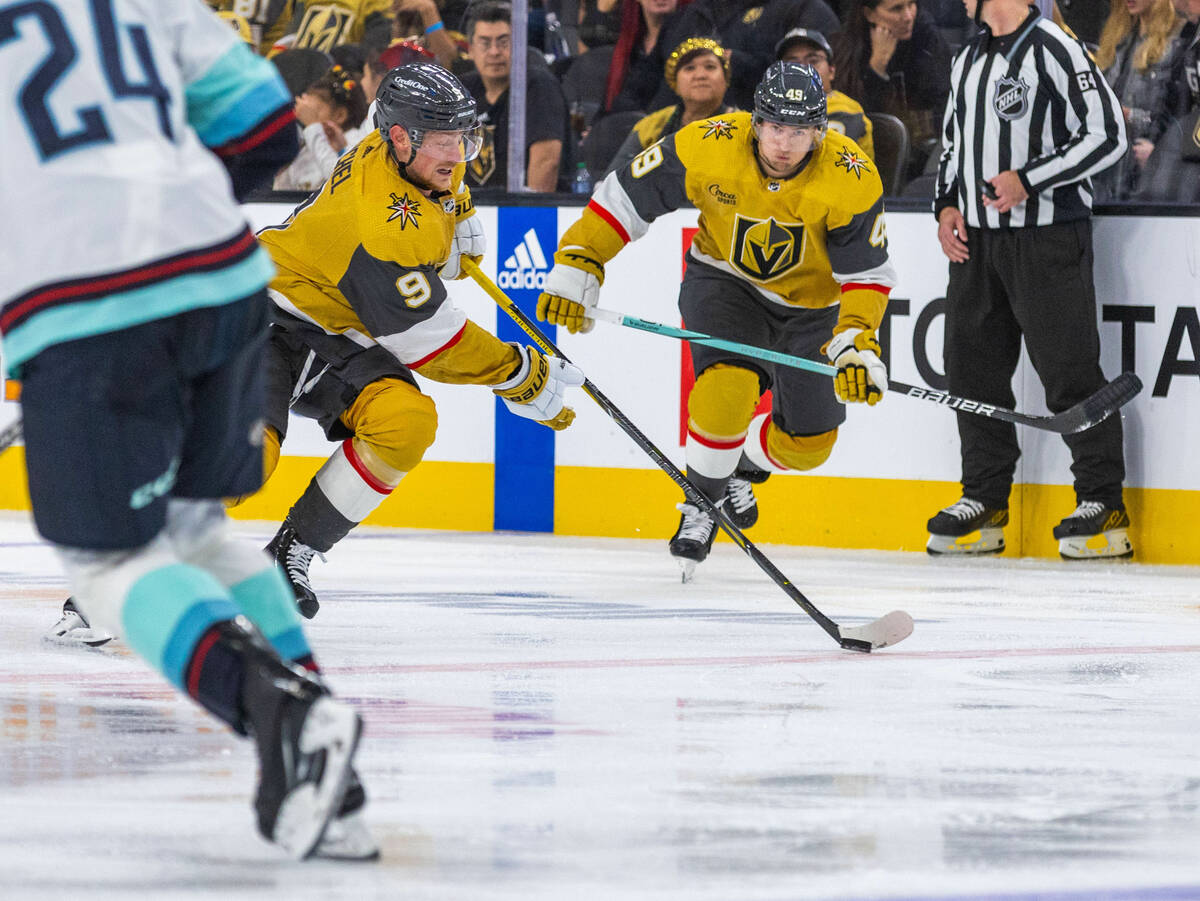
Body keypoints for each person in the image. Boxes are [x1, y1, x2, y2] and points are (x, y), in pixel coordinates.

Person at [5, 0, 374, 860]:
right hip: (222, 268)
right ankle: (333, 778)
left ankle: (281, 716)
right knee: (193, 530)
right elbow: (268, 132)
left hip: (85, 300)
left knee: (106, 567)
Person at [537, 62, 895, 579]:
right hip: (727, 285)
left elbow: (867, 274)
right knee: (723, 393)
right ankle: (700, 506)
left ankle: (740, 466)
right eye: (774, 127)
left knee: (808, 446)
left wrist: (858, 340)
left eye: (799, 132)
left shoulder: (851, 175)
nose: (784, 145)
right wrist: (579, 259)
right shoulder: (708, 143)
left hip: (815, 308)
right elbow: (624, 198)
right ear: (755, 121)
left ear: (819, 130)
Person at [252, 62, 583, 617]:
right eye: (444, 141)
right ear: (400, 137)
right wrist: (519, 373)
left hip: (340, 332)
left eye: (463, 138)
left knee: (404, 424)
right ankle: (125, 571)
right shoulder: (384, 225)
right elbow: (429, 342)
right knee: (245, 465)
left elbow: (444, 196)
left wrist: (457, 216)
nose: (457, 155)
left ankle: (291, 553)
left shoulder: (411, 160)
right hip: (267, 318)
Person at [930, 0, 1131, 559]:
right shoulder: (967, 56)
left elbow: (1107, 134)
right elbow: (952, 143)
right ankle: (985, 499)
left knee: (1069, 370)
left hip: (1046, 238)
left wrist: (1031, 179)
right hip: (976, 242)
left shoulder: (1055, 47)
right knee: (971, 372)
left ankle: (1102, 502)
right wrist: (946, 205)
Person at [652, 0, 842, 111]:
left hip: (775, 126)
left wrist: (739, 64)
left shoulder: (805, 8)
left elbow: (814, 75)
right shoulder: (696, 12)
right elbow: (665, 80)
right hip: (685, 121)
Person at [832, 0, 952, 173]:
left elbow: (945, 103)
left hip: (926, 156)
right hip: (867, 156)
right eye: (896, 9)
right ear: (869, 14)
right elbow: (853, 118)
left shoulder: (928, 40)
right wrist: (877, 67)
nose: (908, 16)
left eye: (911, 4)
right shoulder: (845, 51)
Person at [460, 2, 569, 191]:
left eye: (503, 42)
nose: (494, 52)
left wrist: (528, 214)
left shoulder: (539, 85)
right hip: (472, 208)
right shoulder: (463, 90)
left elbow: (546, 162)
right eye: (485, 43)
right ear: (470, 50)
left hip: (523, 212)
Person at [1095, 0, 1186, 199]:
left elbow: (1178, 117)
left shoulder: (1178, 42)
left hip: (1147, 175)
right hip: (1108, 172)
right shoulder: (1119, 39)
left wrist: (1130, 115)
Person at [606, 37, 735, 174]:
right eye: (689, 68)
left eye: (710, 67)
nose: (700, 75)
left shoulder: (745, 127)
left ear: (725, 78)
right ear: (675, 82)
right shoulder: (651, 126)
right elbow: (613, 180)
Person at [777, 27, 875, 159]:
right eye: (792, 64)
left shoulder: (845, 111)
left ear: (831, 71)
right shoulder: (772, 107)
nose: (804, 70)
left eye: (813, 61)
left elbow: (829, 166)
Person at [275, 66, 370, 190]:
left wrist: (313, 127)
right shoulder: (310, 144)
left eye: (315, 112)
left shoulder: (357, 143)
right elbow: (282, 192)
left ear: (340, 115)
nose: (309, 119)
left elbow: (340, 181)